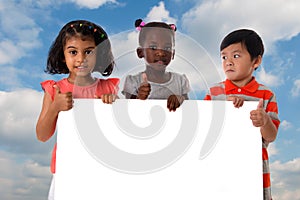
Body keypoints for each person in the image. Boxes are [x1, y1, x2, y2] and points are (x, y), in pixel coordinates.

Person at [35, 19, 119, 199]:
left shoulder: (109, 88)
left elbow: (119, 129)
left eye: (89, 52)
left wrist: (114, 103)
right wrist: (55, 107)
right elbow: (42, 135)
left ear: (99, 55)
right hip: (67, 169)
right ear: (62, 55)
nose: (81, 59)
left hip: (101, 171)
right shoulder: (55, 89)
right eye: (73, 52)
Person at [204, 29, 280, 200]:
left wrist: (264, 120)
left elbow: (271, 136)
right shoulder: (214, 92)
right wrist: (224, 111)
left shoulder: (266, 95)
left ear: (256, 60)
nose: (228, 62)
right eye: (224, 57)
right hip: (220, 169)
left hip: (254, 170)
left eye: (236, 56)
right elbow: (204, 128)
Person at [122, 19, 190, 111]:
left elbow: (190, 108)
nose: (161, 53)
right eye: (153, 47)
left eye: (167, 48)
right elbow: (127, 110)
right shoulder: (133, 81)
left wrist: (181, 99)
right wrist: (139, 98)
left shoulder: (180, 81)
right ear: (140, 52)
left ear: (173, 53)